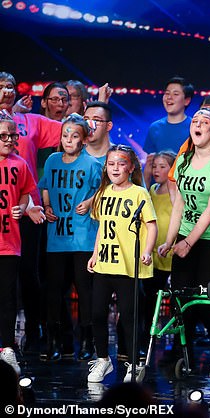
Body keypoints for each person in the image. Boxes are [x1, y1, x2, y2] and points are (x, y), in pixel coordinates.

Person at [157, 108, 210, 371]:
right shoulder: (183, 160)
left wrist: (188, 242)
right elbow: (178, 204)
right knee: (180, 296)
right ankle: (182, 351)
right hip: (186, 234)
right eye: (195, 121)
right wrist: (170, 240)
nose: (197, 125)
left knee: (206, 299)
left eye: (205, 122)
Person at [0, 72, 62, 354]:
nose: (7, 91)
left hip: (26, 209)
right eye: (1, 87)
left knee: (27, 272)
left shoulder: (28, 121)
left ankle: (34, 330)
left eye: (11, 86)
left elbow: (68, 130)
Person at [86, 145, 157, 383]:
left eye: (121, 163)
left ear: (131, 167)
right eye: (111, 163)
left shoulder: (139, 193)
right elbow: (102, 227)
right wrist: (95, 254)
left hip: (127, 266)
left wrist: (147, 252)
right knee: (96, 313)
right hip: (105, 263)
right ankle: (103, 359)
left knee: (129, 317)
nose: (116, 168)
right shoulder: (104, 192)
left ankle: (135, 364)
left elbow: (151, 225)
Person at [39, 114, 102, 361]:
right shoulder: (53, 160)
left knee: (84, 290)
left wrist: (88, 202)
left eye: (74, 136)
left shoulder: (91, 164)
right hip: (57, 236)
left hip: (83, 236)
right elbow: (44, 185)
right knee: (54, 290)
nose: (68, 140)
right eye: (65, 135)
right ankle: (54, 340)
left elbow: (104, 190)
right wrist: (46, 206)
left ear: (84, 139)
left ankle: (87, 341)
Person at [0, 115, 38, 375]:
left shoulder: (20, 163)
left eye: (13, 136)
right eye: (4, 136)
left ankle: (6, 348)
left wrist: (22, 207)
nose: (10, 140)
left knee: (7, 299)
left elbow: (26, 191)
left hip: (9, 242)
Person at [144, 150, 176, 348]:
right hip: (155, 254)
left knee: (175, 299)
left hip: (172, 252)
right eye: (155, 166)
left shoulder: (175, 193)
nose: (157, 170)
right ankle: (149, 331)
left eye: (162, 166)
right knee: (150, 297)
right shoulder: (152, 191)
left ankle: (177, 336)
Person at [143, 77, 194, 186]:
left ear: (187, 100)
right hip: (157, 190)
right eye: (167, 93)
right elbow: (149, 164)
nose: (169, 98)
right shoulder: (154, 127)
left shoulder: (194, 127)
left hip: (183, 187)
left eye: (175, 94)